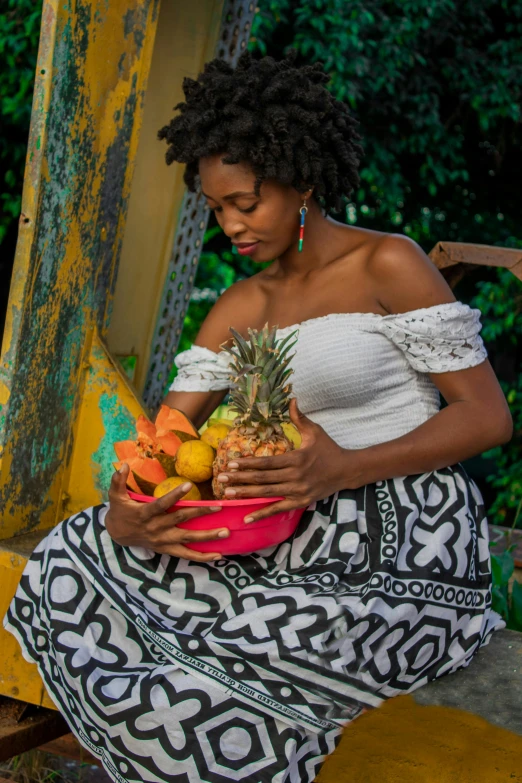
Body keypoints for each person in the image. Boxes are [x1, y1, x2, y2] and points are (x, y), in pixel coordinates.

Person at [5, 52, 512, 783]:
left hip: (406, 532)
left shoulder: (387, 264)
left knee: (230, 682)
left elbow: (487, 416)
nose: (231, 224)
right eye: (216, 208)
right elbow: (161, 441)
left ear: (301, 178)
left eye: (247, 202)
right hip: (281, 531)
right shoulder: (238, 308)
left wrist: (338, 467)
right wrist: (128, 509)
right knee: (73, 551)